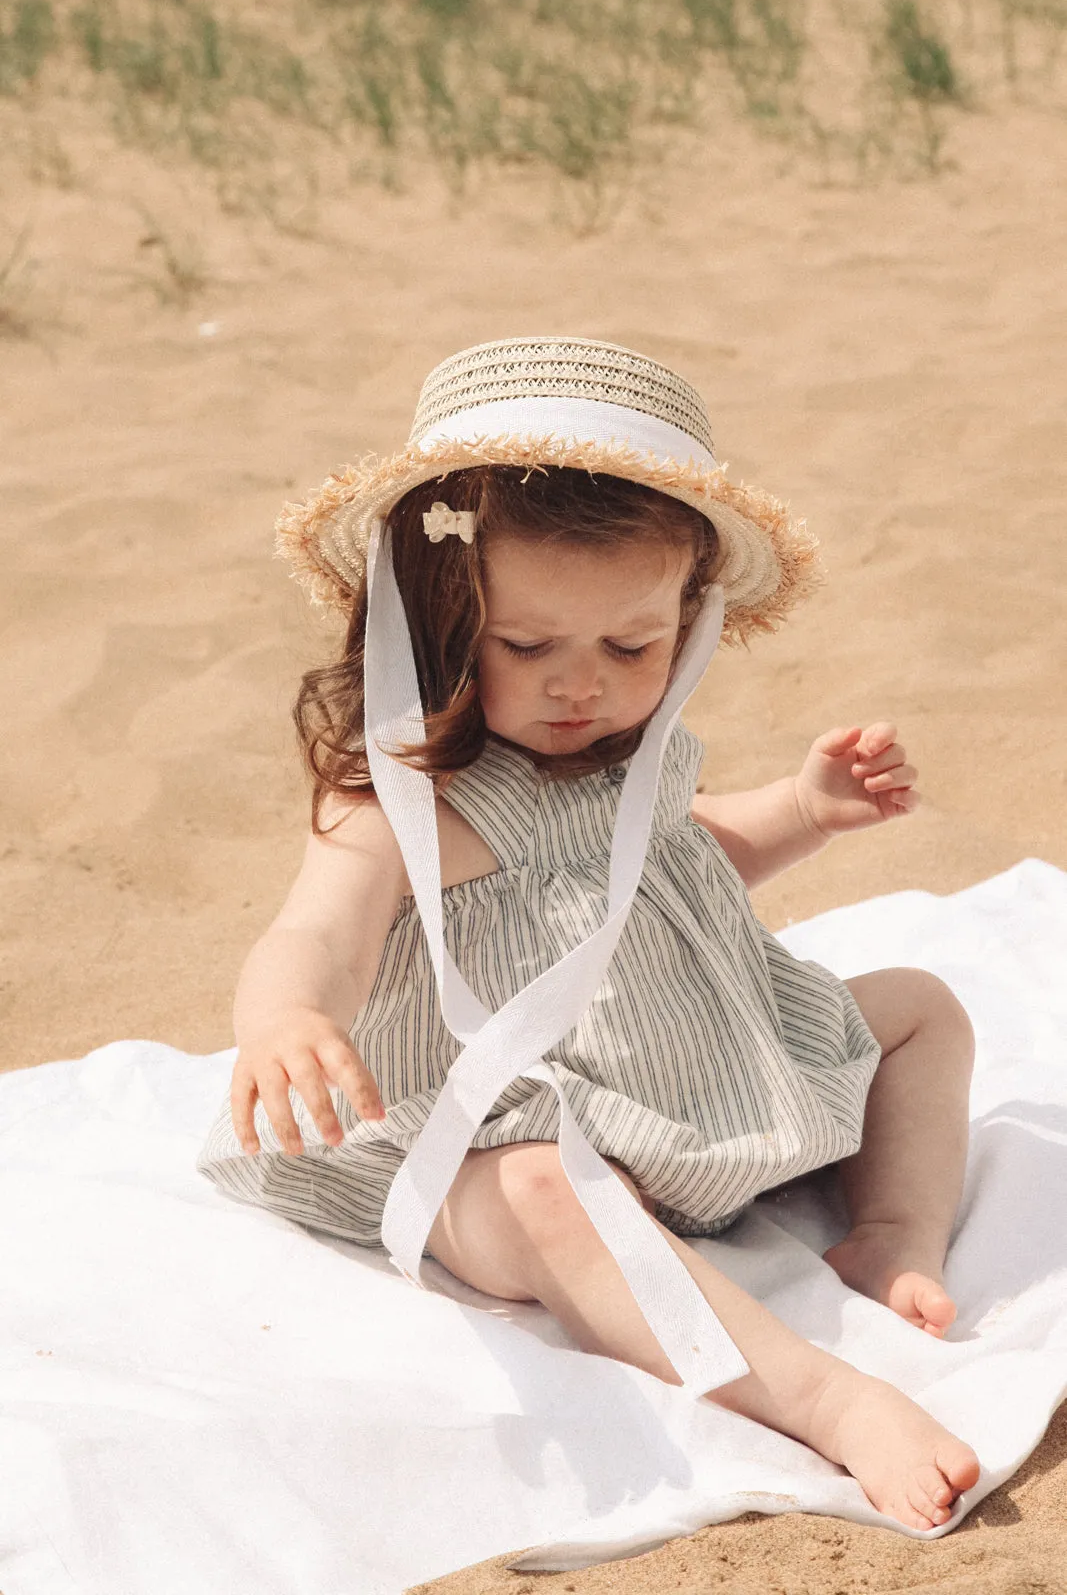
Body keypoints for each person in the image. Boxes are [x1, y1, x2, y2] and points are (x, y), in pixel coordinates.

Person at [196, 335, 980, 1532]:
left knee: (921, 1002)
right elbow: (318, 935)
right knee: (540, 1194)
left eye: (632, 646)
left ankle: (888, 1231)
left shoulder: (639, 759)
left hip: (685, 1064)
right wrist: (286, 1019)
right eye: (528, 647)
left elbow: (679, 863)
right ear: (441, 620)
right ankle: (823, 1399)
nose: (585, 687)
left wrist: (804, 813)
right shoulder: (407, 800)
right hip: (486, 1112)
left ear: (689, 619)